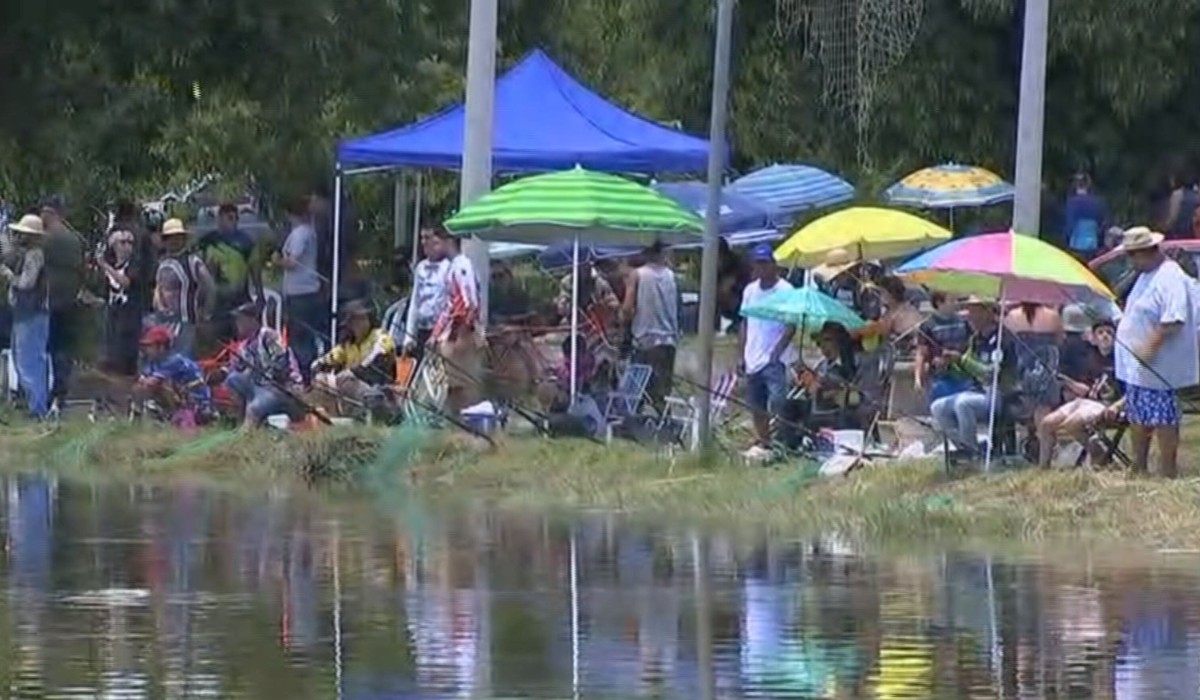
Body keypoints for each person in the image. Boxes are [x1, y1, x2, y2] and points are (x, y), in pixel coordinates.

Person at [1114, 227, 1198, 477]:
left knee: (1163, 419)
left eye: (1132, 255)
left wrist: (1149, 347)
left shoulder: (1170, 276)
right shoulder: (1145, 274)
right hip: (1138, 367)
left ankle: (1168, 470)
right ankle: (1138, 465)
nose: (1129, 261)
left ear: (1144, 253)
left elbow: (1174, 319)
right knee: (1138, 414)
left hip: (1160, 365)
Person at [930, 296, 1018, 461]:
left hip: (999, 394)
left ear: (988, 312)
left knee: (963, 404)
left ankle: (972, 454)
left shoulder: (1003, 339)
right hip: (976, 391)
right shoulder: (975, 340)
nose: (969, 316)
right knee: (938, 407)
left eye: (974, 311)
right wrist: (949, 364)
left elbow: (990, 373)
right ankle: (967, 447)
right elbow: (966, 372)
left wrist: (962, 360)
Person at [737, 243, 797, 457]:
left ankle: (782, 439)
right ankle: (764, 442)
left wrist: (777, 351)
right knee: (756, 404)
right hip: (752, 355)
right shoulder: (750, 291)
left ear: (773, 265)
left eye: (765, 263)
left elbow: (792, 323)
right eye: (758, 264)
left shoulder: (786, 290)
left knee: (779, 401)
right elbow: (744, 322)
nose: (761, 268)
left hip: (774, 358)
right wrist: (741, 354)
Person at [1038, 319, 1123, 468]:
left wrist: (1116, 406)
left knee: (1073, 424)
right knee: (1046, 423)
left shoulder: (1121, 360)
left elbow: (1131, 391)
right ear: (1094, 338)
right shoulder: (1088, 358)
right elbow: (1085, 389)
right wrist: (1066, 381)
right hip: (1086, 402)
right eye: (1100, 332)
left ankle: (1100, 454)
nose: (1105, 336)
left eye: (1109, 332)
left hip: (1109, 405)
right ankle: (1043, 468)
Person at [222, 301, 304, 429]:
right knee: (232, 379)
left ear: (252, 320)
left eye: (240, 320)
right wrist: (222, 372)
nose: (237, 324)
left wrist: (265, 377)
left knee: (255, 407)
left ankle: (246, 435)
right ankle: (237, 422)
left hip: (283, 388)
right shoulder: (244, 345)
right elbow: (236, 367)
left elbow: (282, 363)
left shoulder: (268, 336)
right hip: (260, 387)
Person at [0, 215, 51, 418]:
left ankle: (37, 407)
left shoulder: (34, 255)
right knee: (26, 358)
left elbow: (27, 283)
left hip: (31, 313)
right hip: (28, 313)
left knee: (30, 360)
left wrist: (9, 276)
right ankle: (33, 404)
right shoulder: (31, 253)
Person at [622, 241, 679, 412]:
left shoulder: (637, 274)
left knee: (639, 389)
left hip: (645, 339)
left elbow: (627, 308)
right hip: (668, 340)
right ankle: (664, 423)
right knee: (662, 389)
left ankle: (636, 423)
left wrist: (623, 320)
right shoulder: (671, 275)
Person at [40, 197, 86, 407]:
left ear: (49, 213)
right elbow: (81, 269)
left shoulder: (45, 240)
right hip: (70, 298)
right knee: (65, 348)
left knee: (48, 347)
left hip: (48, 299)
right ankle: (62, 391)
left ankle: (48, 393)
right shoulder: (75, 239)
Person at [197, 203, 263, 342]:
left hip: (239, 297)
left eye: (235, 219)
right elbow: (199, 269)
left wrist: (260, 294)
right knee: (218, 339)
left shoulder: (246, 242)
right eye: (228, 218)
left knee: (241, 336)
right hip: (216, 300)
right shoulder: (208, 241)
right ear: (219, 219)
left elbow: (255, 269)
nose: (232, 222)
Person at [311, 301, 396, 407]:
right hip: (352, 386)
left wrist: (352, 372)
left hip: (378, 387)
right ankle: (331, 415)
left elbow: (375, 360)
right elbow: (330, 358)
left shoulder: (381, 337)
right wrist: (317, 365)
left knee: (345, 379)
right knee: (321, 380)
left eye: (363, 319)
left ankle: (376, 406)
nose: (360, 323)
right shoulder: (347, 343)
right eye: (355, 320)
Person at [277, 197, 324, 384]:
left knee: (300, 337)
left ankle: (306, 377)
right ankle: (309, 375)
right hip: (306, 291)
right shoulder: (309, 232)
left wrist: (276, 260)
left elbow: (292, 262)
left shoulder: (300, 234)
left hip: (300, 293)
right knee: (304, 336)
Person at [152, 218, 215, 357]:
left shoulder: (192, 261)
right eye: (170, 238)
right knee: (165, 361)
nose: (173, 241)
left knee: (182, 361)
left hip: (186, 322)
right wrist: (158, 303)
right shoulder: (163, 262)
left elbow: (209, 287)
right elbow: (158, 286)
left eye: (177, 237)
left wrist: (205, 314)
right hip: (164, 321)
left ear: (183, 239)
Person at [133, 325, 214, 426]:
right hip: (180, 398)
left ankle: (167, 419)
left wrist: (140, 382)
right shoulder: (153, 361)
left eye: (150, 346)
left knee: (155, 388)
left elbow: (151, 383)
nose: (146, 349)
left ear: (161, 347)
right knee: (142, 388)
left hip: (197, 404)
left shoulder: (173, 360)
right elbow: (142, 380)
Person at [97, 228, 143, 376]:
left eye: (130, 242)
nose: (127, 246)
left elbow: (126, 282)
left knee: (126, 348)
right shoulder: (112, 267)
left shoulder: (134, 265)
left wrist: (105, 265)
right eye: (122, 242)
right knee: (110, 344)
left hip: (129, 312)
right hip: (112, 310)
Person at [400, 228, 449, 361]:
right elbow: (415, 303)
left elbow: (450, 305)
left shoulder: (449, 267)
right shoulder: (421, 268)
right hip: (422, 330)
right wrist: (409, 337)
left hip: (441, 332)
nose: (423, 242)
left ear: (438, 240)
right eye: (422, 238)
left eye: (427, 237)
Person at [914, 292, 972, 403]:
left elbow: (971, 345)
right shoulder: (927, 326)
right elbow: (921, 353)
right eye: (951, 301)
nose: (956, 304)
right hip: (940, 376)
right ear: (939, 303)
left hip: (963, 374)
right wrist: (918, 378)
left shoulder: (964, 322)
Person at [1063, 173, 1107, 259]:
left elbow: (1069, 225)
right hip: (1093, 243)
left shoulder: (1072, 202)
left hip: (1076, 244)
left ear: (1075, 185)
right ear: (1088, 185)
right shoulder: (1097, 202)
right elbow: (1103, 223)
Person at [1161, 163, 1199, 241]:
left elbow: (1172, 218)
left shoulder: (1178, 194)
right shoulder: (1196, 194)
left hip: (1183, 234)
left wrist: (1164, 228)